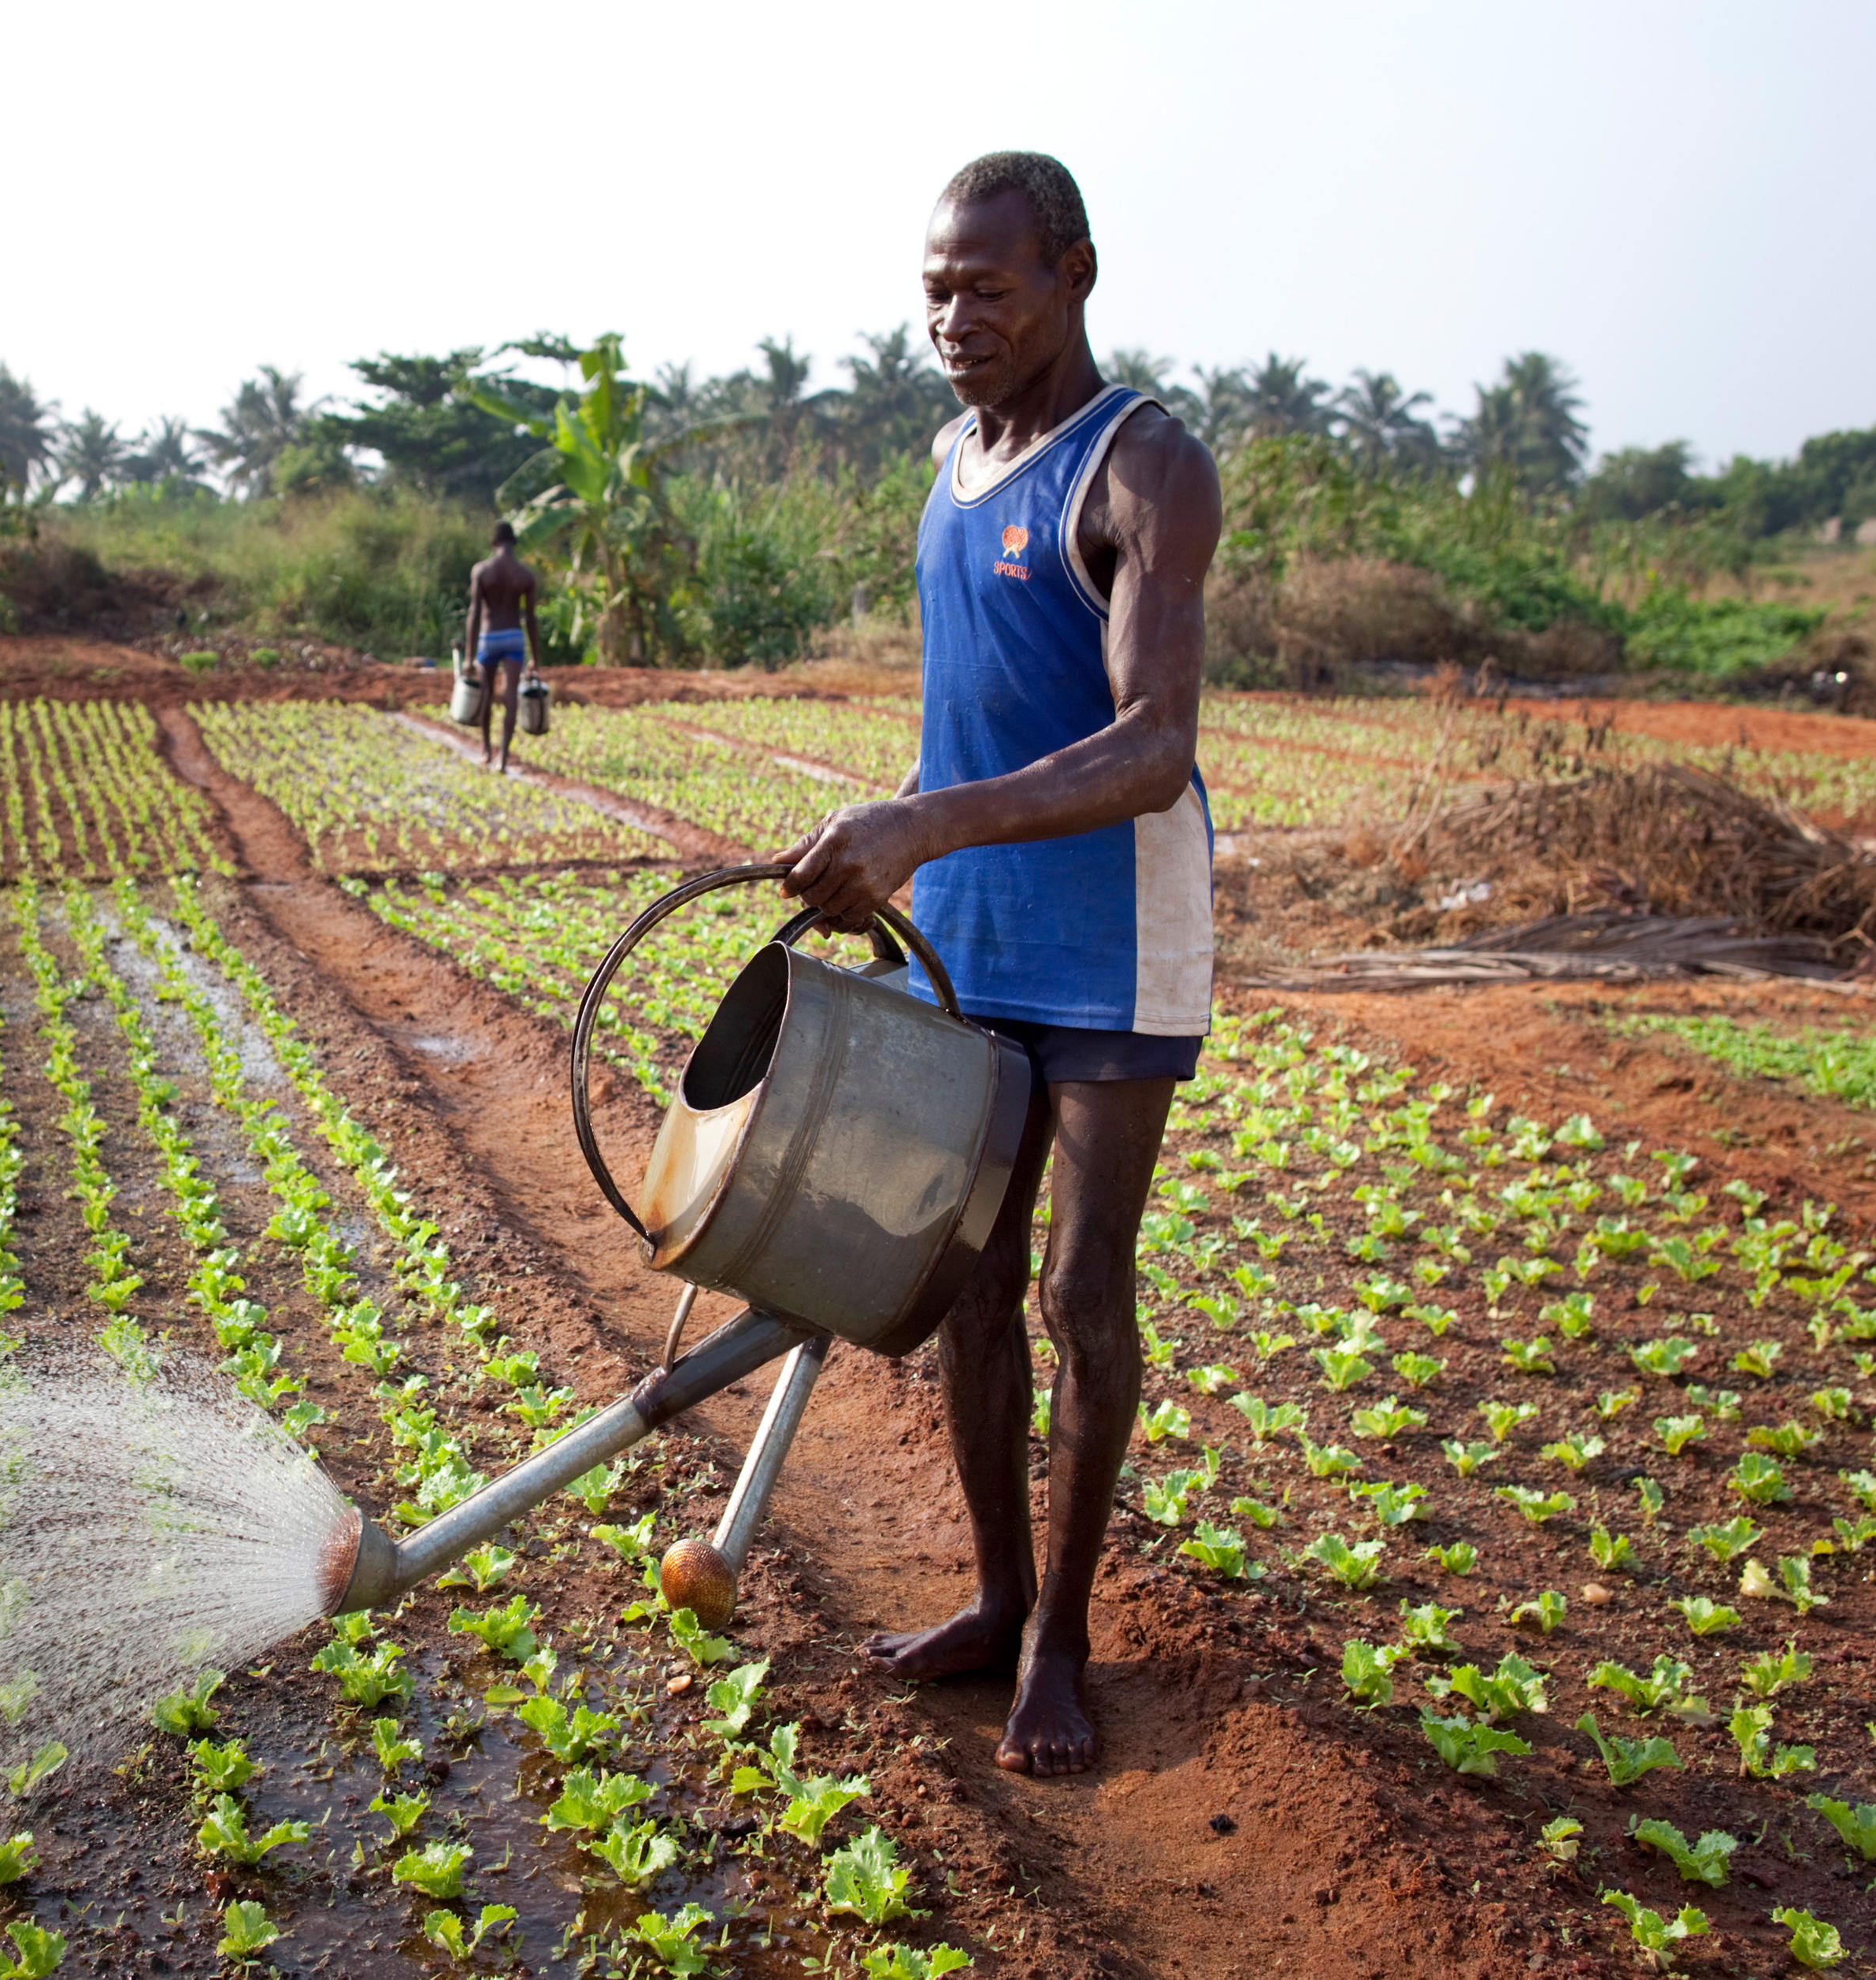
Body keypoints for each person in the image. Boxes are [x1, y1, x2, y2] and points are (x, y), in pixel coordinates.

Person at [775, 150, 1221, 1778]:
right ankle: (990, 1591)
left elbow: (1149, 749)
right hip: (971, 930)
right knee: (967, 1284)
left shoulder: (1140, 465)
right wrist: (896, 861)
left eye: (989, 287)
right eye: (933, 292)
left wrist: (920, 819)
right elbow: (967, 704)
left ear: (1074, 273)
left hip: (1110, 934)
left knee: (1076, 1293)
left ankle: (1060, 1639)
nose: (954, 321)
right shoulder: (955, 462)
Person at [462, 521, 542, 770]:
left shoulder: (482, 571)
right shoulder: (525, 575)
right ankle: (504, 759)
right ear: (513, 544)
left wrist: (468, 655)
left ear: (494, 543)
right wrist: (536, 658)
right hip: (514, 638)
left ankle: (486, 750)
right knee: (511, 697)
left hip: (489, 636)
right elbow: (530, 618)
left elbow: (474, 613)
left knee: (485, 694)